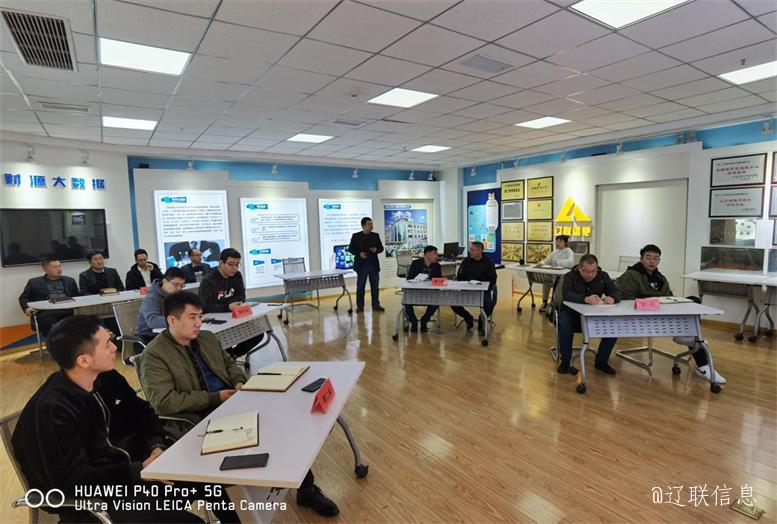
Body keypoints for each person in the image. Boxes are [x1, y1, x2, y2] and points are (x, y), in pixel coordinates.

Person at [11, 315, 239, 523]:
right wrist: (139, 470)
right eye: (107, 344)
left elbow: (144, 412)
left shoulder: (106, 378)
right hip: (98, 501)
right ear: (84, 360)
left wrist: (155, 447)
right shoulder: (52, 411)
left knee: (215, 483)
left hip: (134, 474)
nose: (115, 348)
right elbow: (75, 483)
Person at [141, 292, 340, 518]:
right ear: (172, 320)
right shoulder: (154, 355)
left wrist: (238, 382)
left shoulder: (206, 338)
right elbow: (164, 402)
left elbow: (230, 364)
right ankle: (240, 510)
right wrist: (215, 398)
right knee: (266, 434)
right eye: (192, 317)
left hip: (232, 400)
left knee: (285, 427)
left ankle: (306, 489)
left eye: (200, 316)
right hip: (200, 417)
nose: (199, 323)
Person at [617, 244, 726, 384]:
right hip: (641, 318)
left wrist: (673, 302)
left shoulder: (660, 277)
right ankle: (697, 351)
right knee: (695, 338)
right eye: (648, 258)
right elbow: (626, 300)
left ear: (659, 261)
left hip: (661, 314)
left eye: (655, 258)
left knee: (694, 300)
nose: (652, 261)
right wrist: (653, 302)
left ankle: (692, 343)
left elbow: (668, 296)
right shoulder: (631, 275)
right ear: (641, 259)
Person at [558, 254, 620, 375]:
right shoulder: (570, 276)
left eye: (593, 271)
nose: (590, 274)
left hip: (594, 316)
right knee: (564, 323)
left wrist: (613, 297)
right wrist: (585, 299)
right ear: (579, 268)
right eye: (586, 271)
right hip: (573, 314)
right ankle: (565, 361)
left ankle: (601, 361)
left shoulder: (603, 276)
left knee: (613, 326)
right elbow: (567, 295)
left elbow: (616, 292)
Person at [198, 248, 263, 358]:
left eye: (237, 264)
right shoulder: (208, 280)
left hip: (234, 317)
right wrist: (228, 306)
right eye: (231, 264)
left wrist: (231, 305)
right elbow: (206, 306)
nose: (235, 268)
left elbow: (241, 296)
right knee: (224, 344)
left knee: (257, 333)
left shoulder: (237, 275)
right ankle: (228, 358)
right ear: (221, 263)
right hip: (216, 321)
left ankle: (232, 357)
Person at [18, 259, 80, 336]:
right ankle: (57, 339)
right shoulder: (34, 282)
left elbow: (77, 297)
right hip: (47, 312)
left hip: (68, 310)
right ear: (45, 269)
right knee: (47, 319)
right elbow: (23, 297)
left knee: (82, 317)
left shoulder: (70, 280)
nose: (59, 269)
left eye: (60, 266)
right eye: (54, 267)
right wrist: (26, 308)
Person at [451, 241, 497, 335]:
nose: (470, 252)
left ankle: (481, 321)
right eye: (470, 250)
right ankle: (468, 318)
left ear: (480, 251)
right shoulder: (466, 261)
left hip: (483, 291)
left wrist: (484, 286)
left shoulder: (488, 262)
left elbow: (492, 279)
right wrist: (467, 284)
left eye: (473, 250)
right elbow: (460, 277)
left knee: (489, 304)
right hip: (467, 289)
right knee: (454, 303)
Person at [135, 267, 187, 345]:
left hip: (168, 333)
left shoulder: (176, 295)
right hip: (147, 337)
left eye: (182, 285)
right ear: (165, 281)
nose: (179, 288)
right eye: (176, 285)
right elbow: (153, 321)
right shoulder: (152, 297)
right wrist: (178, 320)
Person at [348, 217, 385, 313]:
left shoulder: (375, 236)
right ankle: (360, 306)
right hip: (361, 266)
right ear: (363, 226)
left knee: (375, 287)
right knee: (360, 287)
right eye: (369, 224)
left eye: (371, 223)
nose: (371, 225)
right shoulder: (356, 236)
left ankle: (376, 305)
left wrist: (376, 249)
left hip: (373, 265)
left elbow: (381, 248)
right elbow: (350, 249)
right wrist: (359, 253)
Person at [404, 245, 442, 332]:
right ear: (427, 254)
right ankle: (413, 322)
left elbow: (440, 280)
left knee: (435, 303)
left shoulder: (437, 266)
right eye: (434, 254)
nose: (436, 256)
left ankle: (424, 321)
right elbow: (409, 279)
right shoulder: (416, 264)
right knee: (407, 303)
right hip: (415, 292)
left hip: (430, 293)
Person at [536, 235, 574, 311]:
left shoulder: (569, 251)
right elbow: (547, 260)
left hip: (563, 277)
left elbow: (571, 262)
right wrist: (541, 263)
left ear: (565, 242)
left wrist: (559, 263)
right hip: (553, 276)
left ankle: (556, 304)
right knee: (545, 282)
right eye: (557, 241)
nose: (558, 243)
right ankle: (545, 302)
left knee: (558, 285)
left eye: (560, 241)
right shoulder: (555, 252)